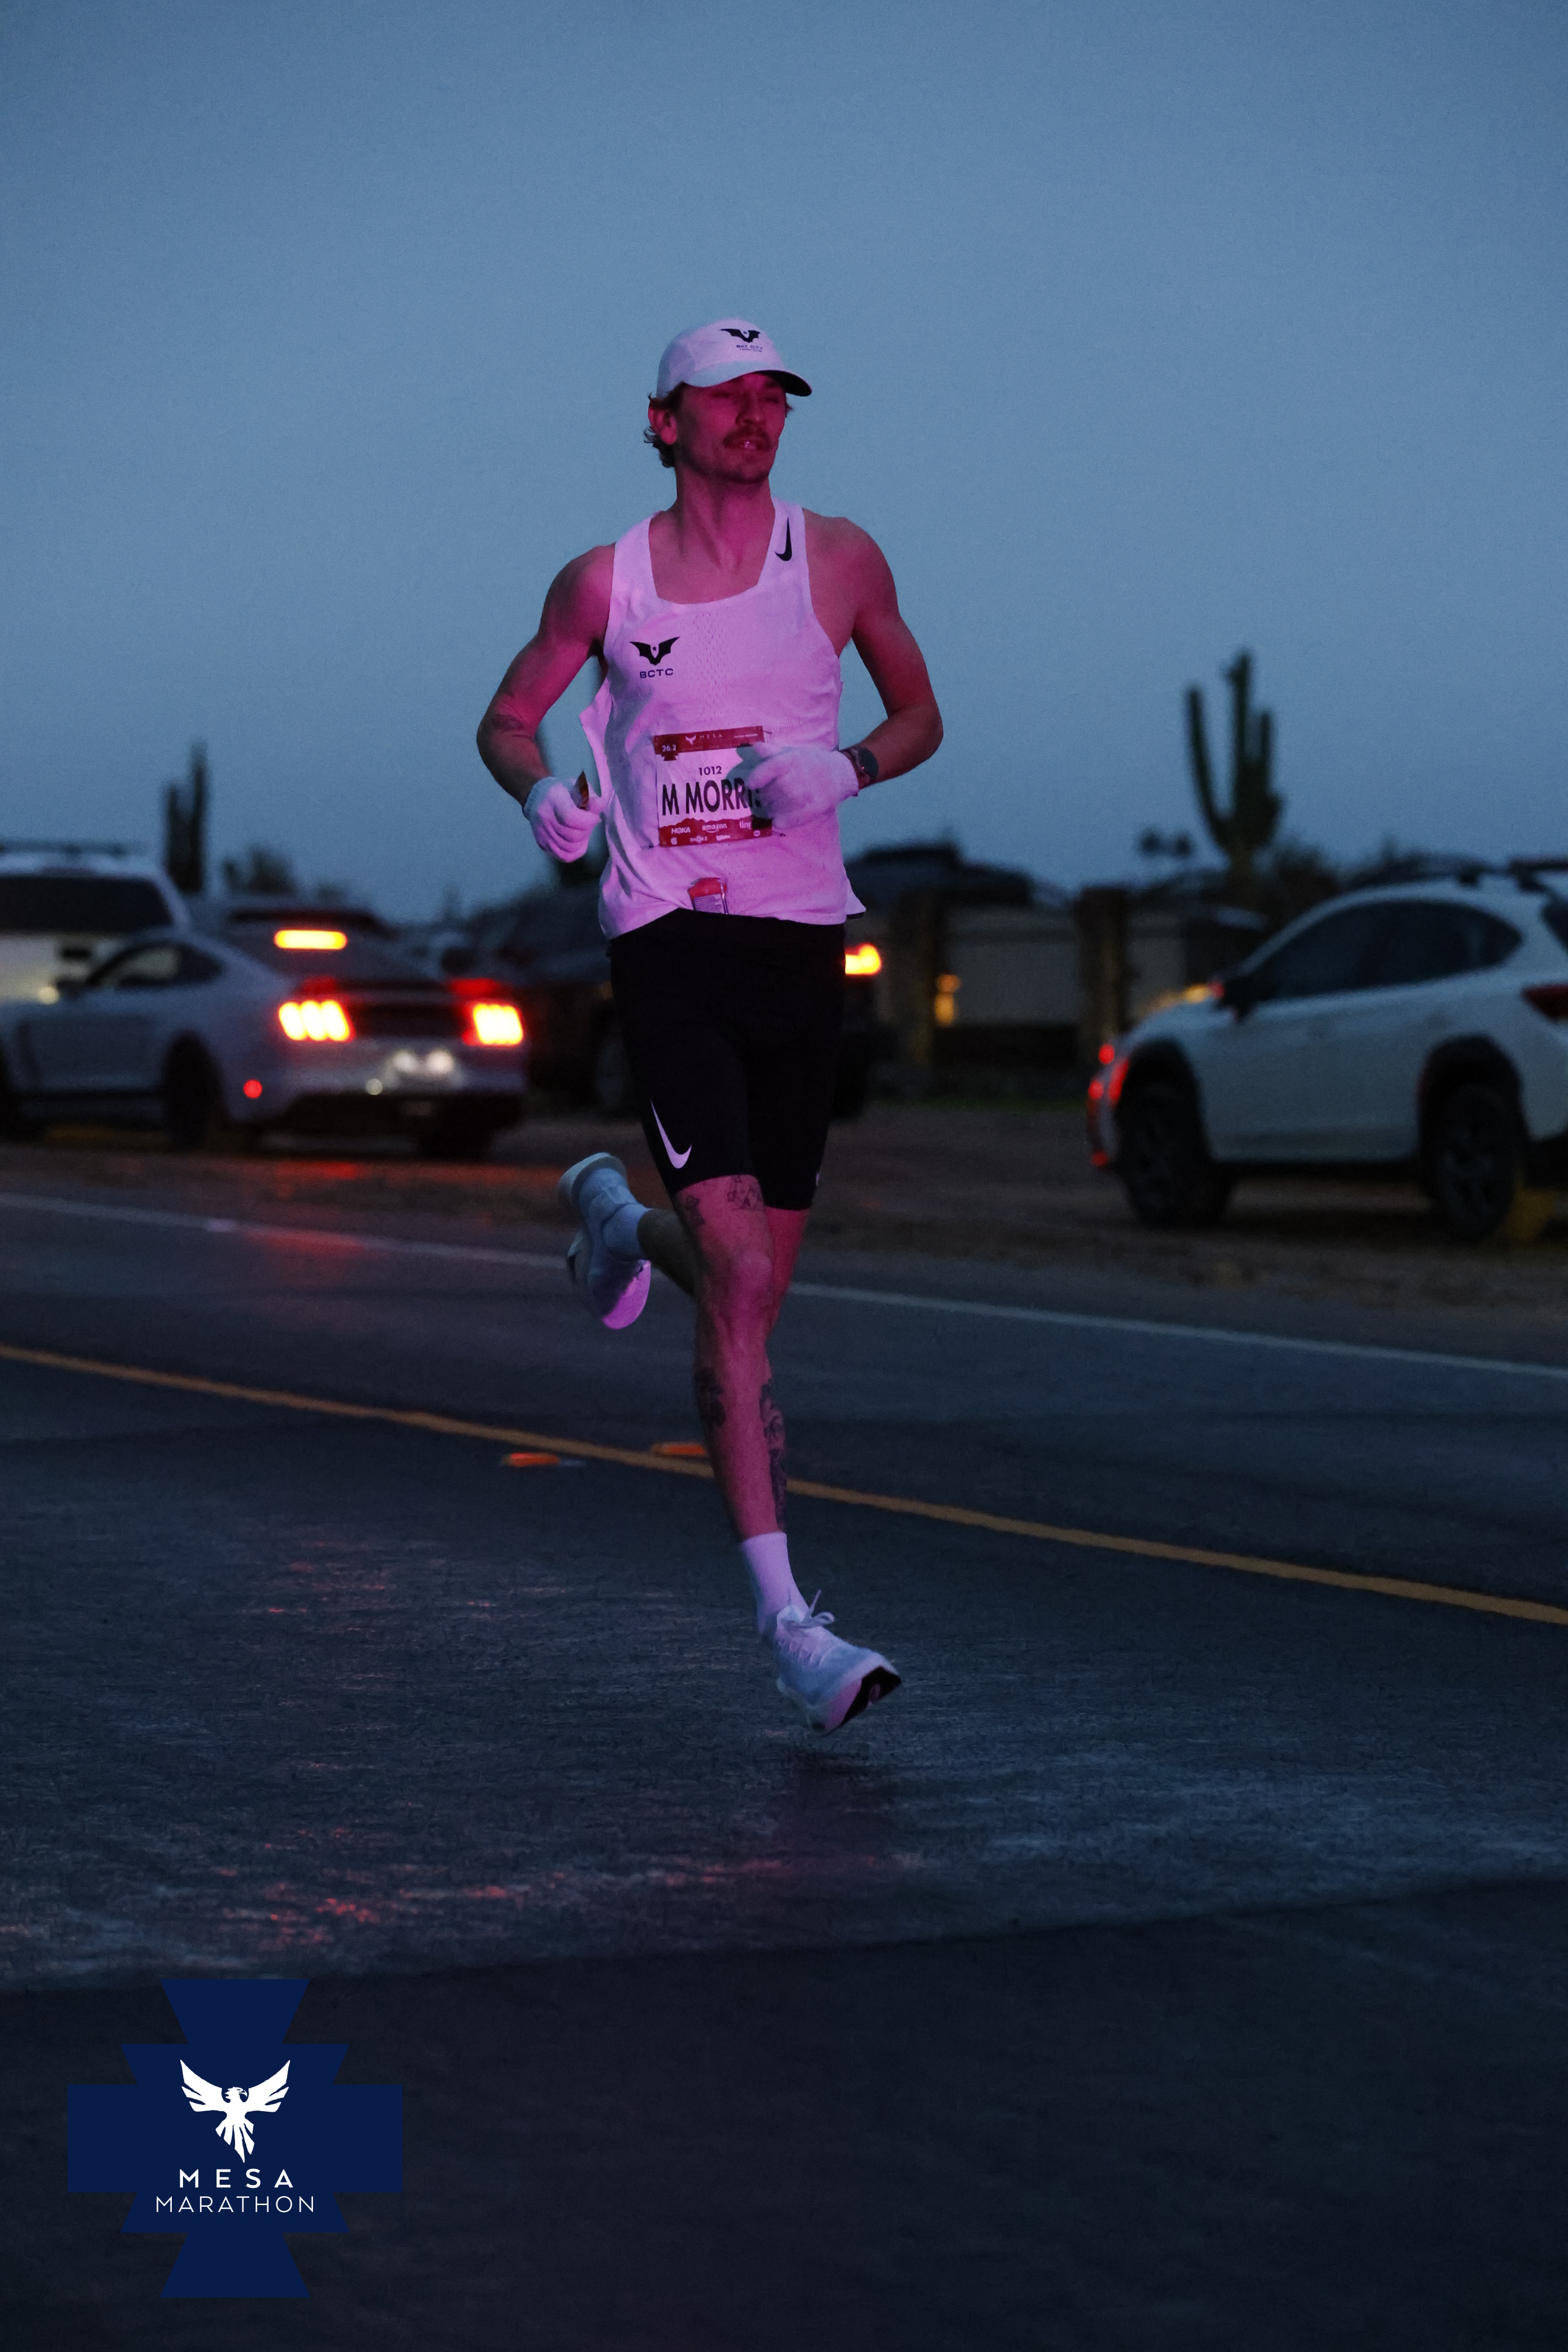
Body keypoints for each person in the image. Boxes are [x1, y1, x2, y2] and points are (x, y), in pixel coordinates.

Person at [476, 318, 942, 1732]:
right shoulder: (604, 582)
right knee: (736, 1275)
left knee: (751, 1287)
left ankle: (619, 1225)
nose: (754, 416)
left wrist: (842, 770)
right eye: (724, 397)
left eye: (771, 397)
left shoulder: (838, 558)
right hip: (667, 937)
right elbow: (508, 717)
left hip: (801, 946)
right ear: (661, 421)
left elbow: (920, 714)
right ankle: (791, 1627)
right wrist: (539, 792)